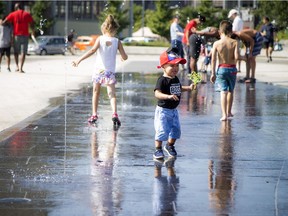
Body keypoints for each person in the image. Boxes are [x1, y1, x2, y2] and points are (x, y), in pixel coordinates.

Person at [72, 14, 128, 126]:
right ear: (115, 30)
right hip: (109, 72)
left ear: (103, 29)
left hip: (99, 71)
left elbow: (92, 51)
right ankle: (115, 114)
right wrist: (122, 57)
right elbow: (125, 57)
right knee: (112, 93)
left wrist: (79, 59)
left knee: (96, 92)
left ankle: (94, 115)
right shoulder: (117, 41)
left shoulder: (100, 39)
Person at [153, 47, 194, 159]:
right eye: (172, 65)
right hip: (163, 111)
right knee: (162, 130)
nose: (175, 68)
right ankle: (158, 149)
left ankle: (170, 146)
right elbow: (157, 93)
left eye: (177, 65)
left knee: (175, 130)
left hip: (174, 111)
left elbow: (178, 88)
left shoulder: (175, 78)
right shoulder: (162, 80)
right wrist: (168, 96)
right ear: (163, 66)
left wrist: (189, 88)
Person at [210, 20, 245, 121]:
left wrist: (213, 73)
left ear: (220, 31)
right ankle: (229, 112)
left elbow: (213, 59)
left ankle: (224, 115)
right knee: (231, 91)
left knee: (223, 92)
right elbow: (237, 57)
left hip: (221, 69)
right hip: (232, 69)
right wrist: (245, 58)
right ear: (230, 31)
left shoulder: (216, 43)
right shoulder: (235, 42)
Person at [2, 2, 34, 73]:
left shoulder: (13, 14)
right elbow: (32, 23)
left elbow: (4, 22)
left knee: (16, 52)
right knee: (23, 52)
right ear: (21, 7)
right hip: (25, 35)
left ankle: (17, 66)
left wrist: (6, 24)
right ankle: (21, 68)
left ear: (16, 8)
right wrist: (32, 30)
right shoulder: (27, 14)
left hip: (16, 36)